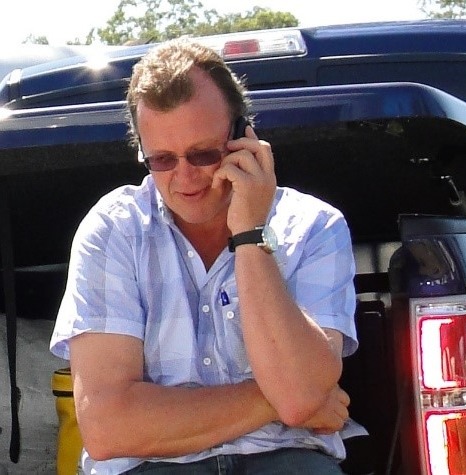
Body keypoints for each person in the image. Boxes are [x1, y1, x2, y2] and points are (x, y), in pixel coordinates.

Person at [50, 38, 358, 475]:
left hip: (286, 461)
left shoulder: (314, 226)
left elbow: (299, 394)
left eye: (203, 154)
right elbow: (107, 427)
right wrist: (277, 401)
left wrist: (250, 235)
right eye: (162, 159)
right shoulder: (113, 229)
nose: (185, 177)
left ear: (244, 138)